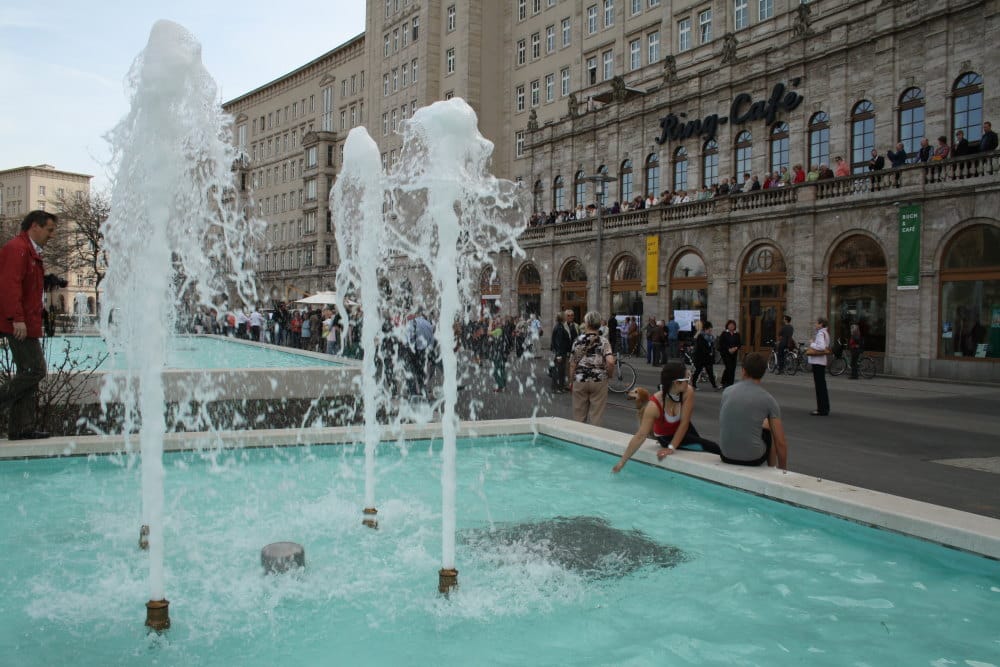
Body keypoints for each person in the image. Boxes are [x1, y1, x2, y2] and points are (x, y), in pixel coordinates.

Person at [0, 210, 58, 440]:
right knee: (35, 370)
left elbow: (27, 289)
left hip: (26, 321)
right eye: (49, 230)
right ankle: (19, 424)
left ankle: (21, 428)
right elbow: (9, 286)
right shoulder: (18, 249)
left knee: (28, 372)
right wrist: (17, 319)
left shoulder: (29, 251)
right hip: (17, 322)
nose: (51, 235)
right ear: (35, 226)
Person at [611, 363, 720, 473]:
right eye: (687, 379)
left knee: (703, 449)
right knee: (713, 447)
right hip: (666, 437)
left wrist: (672, 447)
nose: (690, 382)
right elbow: (640, 435)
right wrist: (622, 462)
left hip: (684, 428)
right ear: (677, 383)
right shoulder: (654, 405)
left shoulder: (688, 392)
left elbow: (685, 423)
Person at [718, 353, 788, 469]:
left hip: (726, 455)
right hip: (752, 458)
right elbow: (780, 443)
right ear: (762, 374)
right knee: (769, 428)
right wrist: (784, 470)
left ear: (743, 370)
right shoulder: (768, 399)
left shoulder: (727, 391)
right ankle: (773, 468)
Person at [567, 311, 615, 425]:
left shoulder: (578, 341)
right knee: (596, 416)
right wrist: (610, 374)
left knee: (579, 417)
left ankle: (579, 440)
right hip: (599, 380)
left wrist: (570, 381)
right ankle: (594, 439)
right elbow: (611, 362)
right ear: (599, 324)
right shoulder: (604, 341)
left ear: (587, 323)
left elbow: (573, 363)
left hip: (580, 379)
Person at [805, 316, 831, 416]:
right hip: (821, 361)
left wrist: (812, 344)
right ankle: (824, 408)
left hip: (818, 362)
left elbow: (821, 347)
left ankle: (821, 409)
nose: (815, 325)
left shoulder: (820, 333)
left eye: (816, 323)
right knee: (822, 386)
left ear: (821, 324)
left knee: (820, 387)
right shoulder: (825, 333)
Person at [691, 321, 718, 390]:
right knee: (698, 371)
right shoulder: (701, 336)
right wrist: (709, 352)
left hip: (708, 358)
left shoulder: (711, 337)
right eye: (709, 329)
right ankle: (693, 384)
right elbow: (702, 347)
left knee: (710, 372)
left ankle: (714, 386)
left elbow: (712, 347)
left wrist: (712, 352)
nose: (710, 331)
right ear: (705, 329)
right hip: (700, 357)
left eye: (711, 329)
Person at [550, 312, 572, 392]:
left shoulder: (560, 326)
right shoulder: (559, 327)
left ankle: (560, 387)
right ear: (562, 318)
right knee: (558, 371)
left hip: (562, 351)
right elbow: (558, 341)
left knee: (561, 371)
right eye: (565, 316)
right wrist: (558, 354)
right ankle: (557, 388)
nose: (566, 317)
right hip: (560, 352)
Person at [718, 319, 741, 387]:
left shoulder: (737, 334)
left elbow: (739, 343)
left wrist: (736, 348)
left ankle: (730, 383)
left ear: (735, 326)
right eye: (730, 325)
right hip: (725, 353)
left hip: (734, 353)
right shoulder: (724, 333)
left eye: (733, 325)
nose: (731, 326)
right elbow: (721, 343)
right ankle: (725, 382)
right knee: (729, 367)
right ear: (727, 326)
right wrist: (728, 349)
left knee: (732, 368)